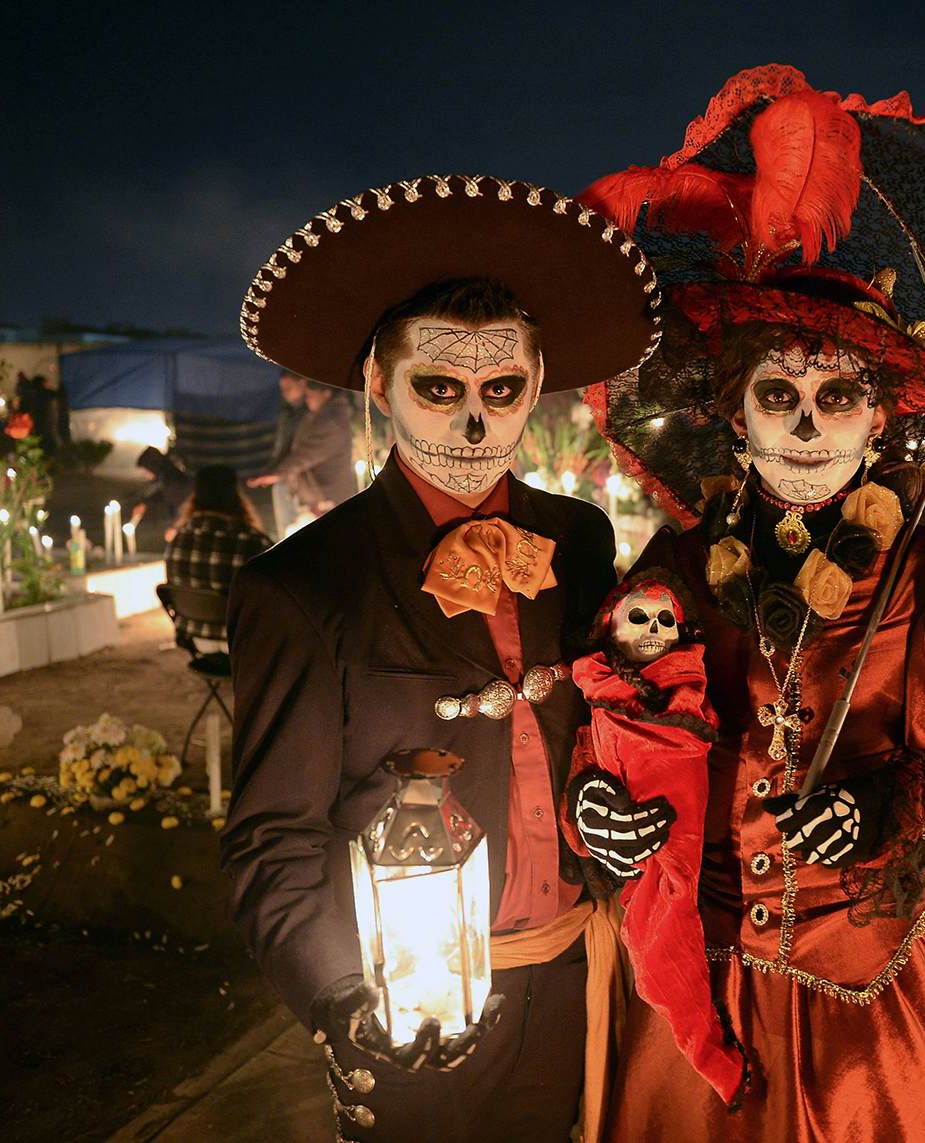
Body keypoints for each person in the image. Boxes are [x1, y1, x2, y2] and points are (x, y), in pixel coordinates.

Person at [576, 88, 925, 1142]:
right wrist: (591, 809)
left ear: (879, 420)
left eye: (837, 399)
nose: (809, 424)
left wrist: (901, 805)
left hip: (881, 1012)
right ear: (736, 419)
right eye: (780, 396)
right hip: (701, 992)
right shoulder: (676, 570)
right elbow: (616, 731)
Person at [220, 174, 661, 1143]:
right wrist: (344, 1002)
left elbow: (621, 726)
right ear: (377, 386)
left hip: (577, 983)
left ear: (535, 390)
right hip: (411, 1013)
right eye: (439, 387)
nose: (473, 423)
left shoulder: (580, 544)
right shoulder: (304, 589)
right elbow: (272, 844)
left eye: (500, 391)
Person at [162, 466, 271, 649]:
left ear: (195, 496)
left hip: (198, 640)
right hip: (244, 643)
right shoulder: (253, 542)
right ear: (236, 496)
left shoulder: (177, 541)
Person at [246, 379, 356, 517]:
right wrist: (272, 471)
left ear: (326, 393)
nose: (307, 400)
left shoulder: (332, 422)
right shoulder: (313, 417)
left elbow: (306, 455)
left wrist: (277, 473)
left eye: (310, 396)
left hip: (329, 497)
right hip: (315, 496)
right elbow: (294, 450)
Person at [127, 446, 195, 543]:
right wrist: (145, 504)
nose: (147, 475)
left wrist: (175, 527)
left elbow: (185, 506)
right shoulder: (168, 477)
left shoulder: (173, 481)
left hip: (186, 526)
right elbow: (163, 494)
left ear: (153, 467)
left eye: (147, 471)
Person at [267, 372, 308, 533]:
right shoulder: (286, 413)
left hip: (298, 476)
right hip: (282, 473)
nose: (285, 393)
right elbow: (281, 445)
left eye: (289, 388)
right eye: (282, 389)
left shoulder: (309, 415)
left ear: (302, 384)